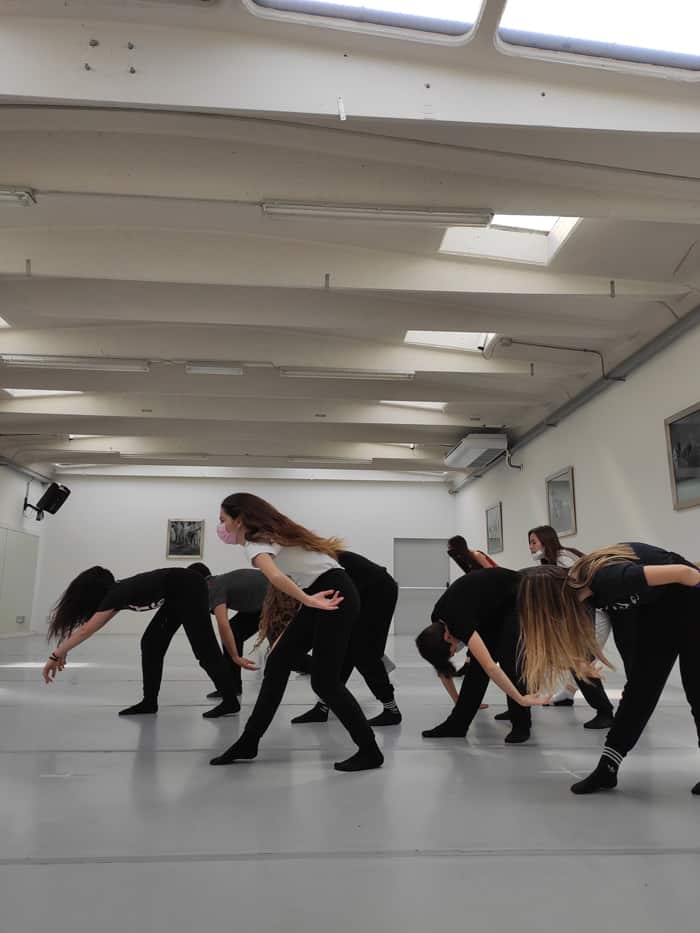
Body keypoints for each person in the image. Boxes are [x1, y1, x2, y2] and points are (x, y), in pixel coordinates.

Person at [209, 493, 383, 772]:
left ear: (239, 520)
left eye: (223, 520)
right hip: (329, 590)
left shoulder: (256, 542)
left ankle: (370, 750)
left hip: (332, 596)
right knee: (277, 662)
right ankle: (249, 742)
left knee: (325, 683)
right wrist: (307, 601)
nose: (222, 527)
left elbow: (276, 577)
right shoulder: (272, 532)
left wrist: (308, 600)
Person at [516, 543, 700, 796]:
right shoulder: (585, 593)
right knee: (639, 690)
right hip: (658, 610)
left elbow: (684, 573)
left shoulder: (607, 578)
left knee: (696, 686)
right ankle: (608, 768)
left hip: (691, 598)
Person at [41, 566, 242, 718]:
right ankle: (149, 702)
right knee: (151, 643)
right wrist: (63, 650)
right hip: (177, 593)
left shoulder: (116, 594)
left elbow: (87, 630)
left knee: (204, 648)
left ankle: (230, 701)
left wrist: (57, 654)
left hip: (189, 586)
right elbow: (89, 627)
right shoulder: (117, 594)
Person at [416, 568, 547, 744]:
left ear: (447, 637)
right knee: (476, 669)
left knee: (510, 661)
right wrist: (458, 701)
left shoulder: (457, 622)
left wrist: (521, 699)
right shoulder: (437, 621)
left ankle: (521, 724)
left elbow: (491, 667)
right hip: (488, 608)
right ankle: (457, 724)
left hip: (515, 595)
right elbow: (442, 667)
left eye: (451, 652)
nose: (454, 653)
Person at [290, 550, 402, 727]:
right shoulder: (304, 566)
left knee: (363, 652)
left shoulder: (312, 566)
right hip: (359, 590)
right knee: (345, 650)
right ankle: (323, 707)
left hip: (379, 591)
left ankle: (391, 710)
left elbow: (314, 613)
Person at [525, 526, 615, 727]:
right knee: (576, 660)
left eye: (533, 542)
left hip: (594, 614)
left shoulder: (563, 558)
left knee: (580, 661)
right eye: (529, 542)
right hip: (580, 616)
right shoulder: (551, 561)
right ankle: (568, 694)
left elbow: (583, 586)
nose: (530, 547)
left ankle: (605, 711)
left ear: (546, 540)